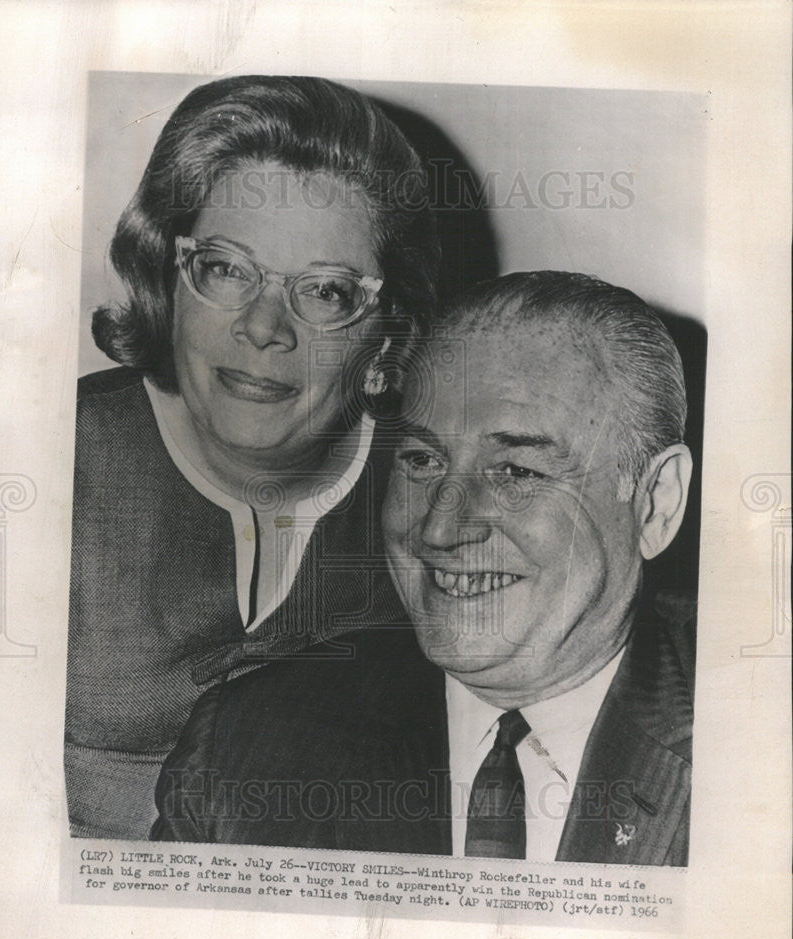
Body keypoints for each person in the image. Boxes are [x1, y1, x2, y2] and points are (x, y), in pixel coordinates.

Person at [152, 271, 696, 867]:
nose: (439, 529)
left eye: (515, 471)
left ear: (655, 503)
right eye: (421, 459)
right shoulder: (245, 750)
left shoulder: (753, 740)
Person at [66, 75, 439, 839]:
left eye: (327, 290)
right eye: (227, 268)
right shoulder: (50, 462)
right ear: (167, 276)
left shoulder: (438, 495)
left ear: (386, 332)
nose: (265, 326)